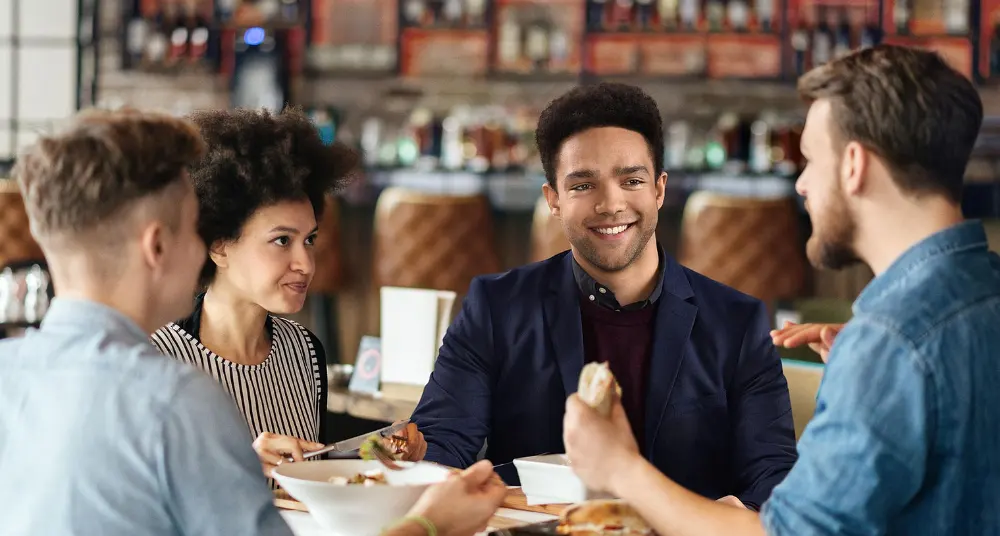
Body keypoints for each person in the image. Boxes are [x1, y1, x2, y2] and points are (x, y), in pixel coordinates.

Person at [0, 108, 505, 536]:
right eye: (190, 230)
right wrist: (431, 524)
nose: (199, 245)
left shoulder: (10, 373)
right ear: (158, 245)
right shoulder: (174, 397)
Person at [563, 44, 1000, 535]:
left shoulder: (891, 342)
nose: (802, 185)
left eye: (811, 159)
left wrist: (621, 467)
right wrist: (882, 391)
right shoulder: (982, 291)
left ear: (854, 165)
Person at [411, 82, 798, 509]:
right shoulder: (496, 306)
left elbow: (772, 478)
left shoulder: (736, 322)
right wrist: (404, 460)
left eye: (631, 180)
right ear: (553, 200)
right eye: (582, 186)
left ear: (659, 190)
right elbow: (440, 444)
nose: (611, 204)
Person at [149, 108, 426, 477]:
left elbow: (315, 485)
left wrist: (380, 462)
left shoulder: (304, 353)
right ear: (218, 247)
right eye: (282, 240)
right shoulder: (158, 360)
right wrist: (237, 465)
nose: (306, 263)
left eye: (309, 240)